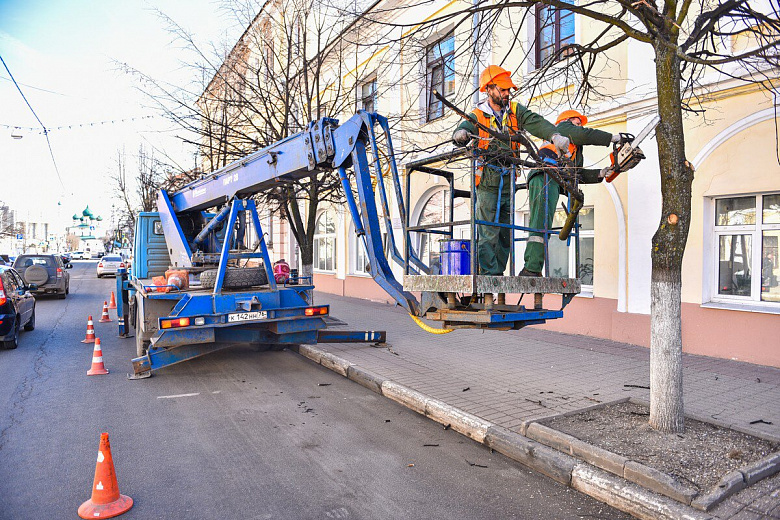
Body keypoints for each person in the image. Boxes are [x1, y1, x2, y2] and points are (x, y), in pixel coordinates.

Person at [452, 65, 572, 277]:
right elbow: (464, 128)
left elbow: (535, 122)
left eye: (509, 90)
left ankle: (498, 273)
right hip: (488, 181)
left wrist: (554, 135)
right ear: (489, 89)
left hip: (507, 180)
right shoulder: (478, 115)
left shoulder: (515, 111)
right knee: (489, 230)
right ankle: (489, 276)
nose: (507, 93)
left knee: (505, 233)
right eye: (503, 89)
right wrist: (460, 134)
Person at [520, 109, 621, 276]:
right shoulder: (563, 129)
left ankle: (534, 267)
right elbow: (585, 134)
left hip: (553, 179)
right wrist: (611, 138)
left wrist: (600, 173)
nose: (580, 125)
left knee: (544, 222)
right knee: (540, 222)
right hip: (545, 176)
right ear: (567, 120)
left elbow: (576, 175)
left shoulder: (574, 151)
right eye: (578, 121)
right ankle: (531, 268)